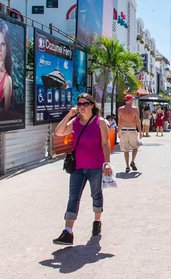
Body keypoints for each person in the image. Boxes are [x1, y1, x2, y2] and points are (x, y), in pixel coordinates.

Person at [52, 93, 111, 245]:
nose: (82, 107)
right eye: (79, 104)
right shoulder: (75, 121)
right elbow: (58, 132)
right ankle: (67, 232)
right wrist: (69, 114)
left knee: (96, 194)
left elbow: (105, 144)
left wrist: (107, 163)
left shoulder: (100, 122)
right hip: (77, 167)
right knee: (73, 198)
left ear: (92, 105)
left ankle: (97, 221)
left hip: (96, 167)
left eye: (85, 104)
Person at [117, 94, 141, 173]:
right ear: (130, 100)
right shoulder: (135, 109)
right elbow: (137, 121)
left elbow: (119, 121)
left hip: (123, 130)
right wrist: (140, 132)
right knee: (135, 147)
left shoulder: (120, 109)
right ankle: (132, 161)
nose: (133, 100)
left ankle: (127, 166)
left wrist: (119, 131)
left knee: (126, 150)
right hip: (132, 129)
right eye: (132, 99)